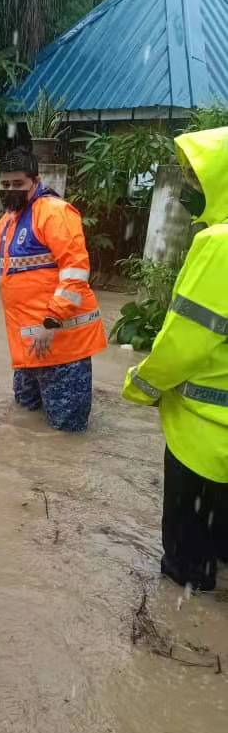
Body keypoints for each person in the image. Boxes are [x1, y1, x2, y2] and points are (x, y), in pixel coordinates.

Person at [122, 127, 228, 591]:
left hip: (203, 429)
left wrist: (143, 383)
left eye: (195, 178)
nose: (188, 188)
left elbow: (188, 339)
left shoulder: (218, 244)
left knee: (186, 567)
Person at [0, 147, 106, 432]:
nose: (10, 190)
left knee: (66, 429)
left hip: (60, 341)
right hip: (29, 344)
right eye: (5, 185)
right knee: (24, 416)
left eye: (17, 184)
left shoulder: (55, 214)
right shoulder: (13, 218)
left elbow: (75, 273)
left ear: (35, 181)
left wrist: (52, 321)